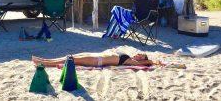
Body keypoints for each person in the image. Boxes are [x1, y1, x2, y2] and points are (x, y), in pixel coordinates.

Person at [32, 50, 161, 67]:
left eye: (141, 55)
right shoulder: (129, 57)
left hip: (97, 61)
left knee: (71, 60)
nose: (138, 54)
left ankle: (44, 64)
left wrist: (154, 62)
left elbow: (148, 62)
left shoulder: (131, 61)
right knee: (71, 57)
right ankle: (43, 60)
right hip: (97, 57)